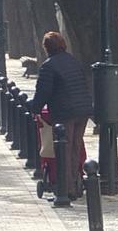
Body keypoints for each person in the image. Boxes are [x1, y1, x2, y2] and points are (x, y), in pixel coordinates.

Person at [26, 31, 92, 198]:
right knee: (76, 146)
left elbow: (43, 91)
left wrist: (35, 108)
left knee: (64, 148)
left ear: (47, 48)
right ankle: (76, 181)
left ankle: (66, 188)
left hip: (65, 112)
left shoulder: (49, 66)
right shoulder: (73, 61)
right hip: (82, 110)